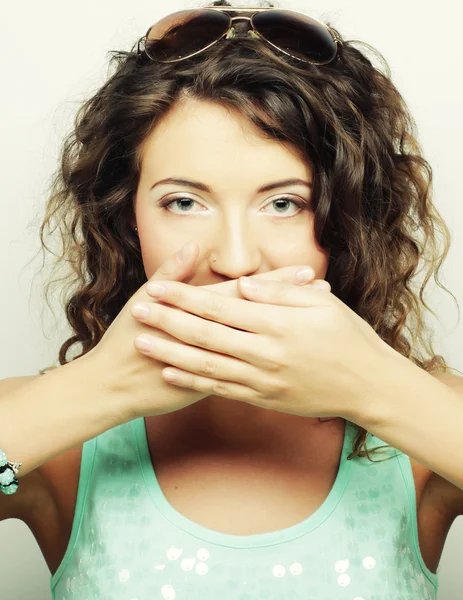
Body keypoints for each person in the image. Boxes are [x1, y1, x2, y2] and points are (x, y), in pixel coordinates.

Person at [1, 0, 463, 598]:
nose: (237, 259)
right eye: (184, 202)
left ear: (346, 218)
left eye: (285, 203)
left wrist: (377, 390)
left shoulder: (424, 428)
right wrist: (98, 389)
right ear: (127, 217)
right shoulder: (52, 438)